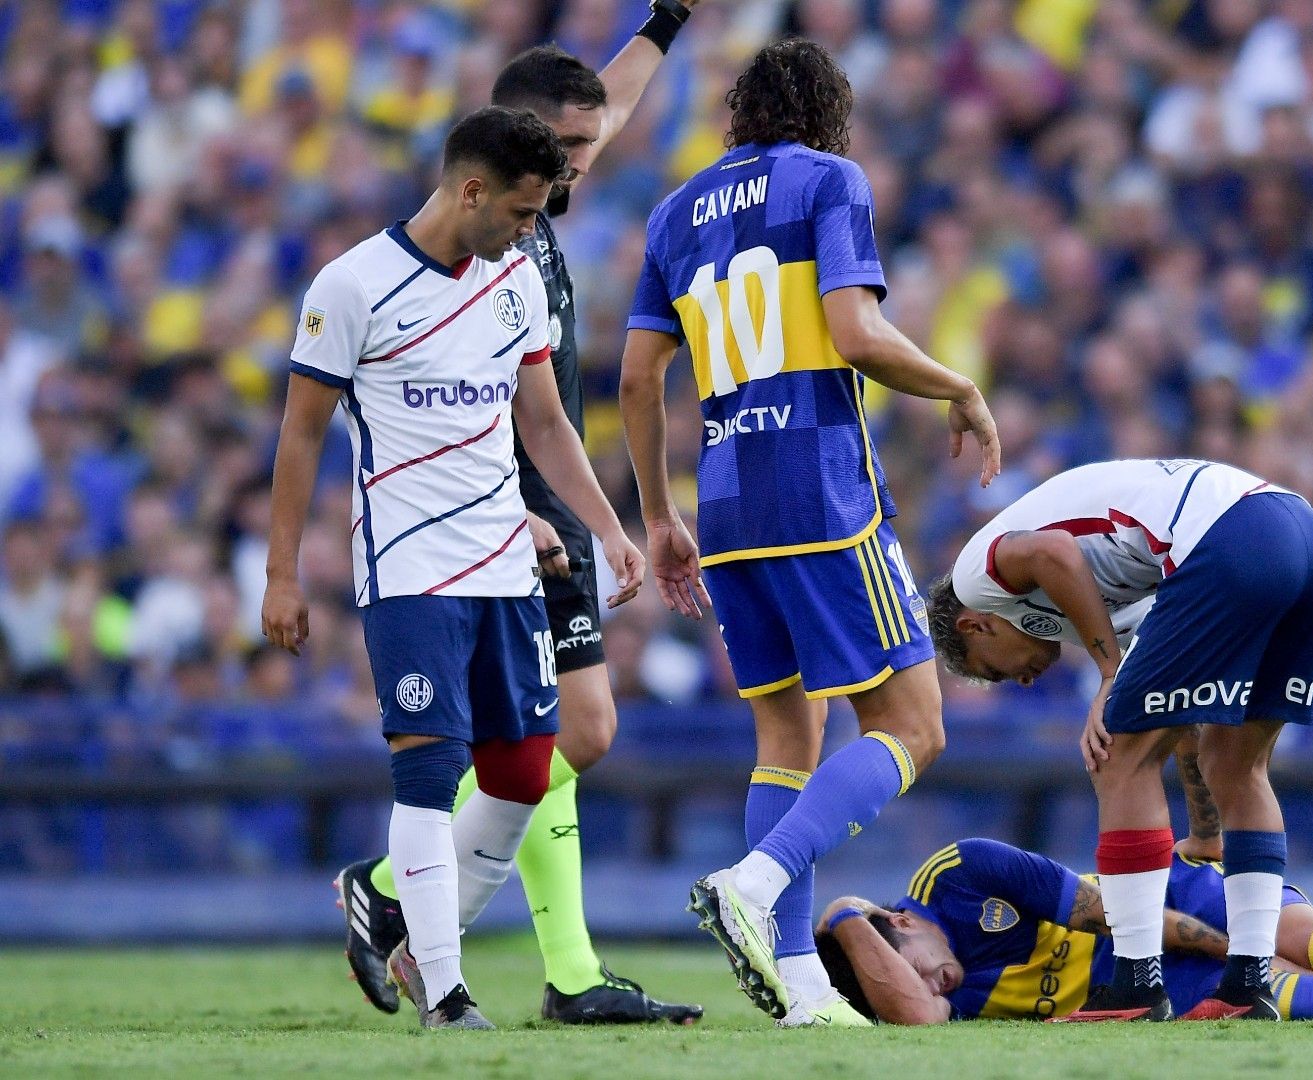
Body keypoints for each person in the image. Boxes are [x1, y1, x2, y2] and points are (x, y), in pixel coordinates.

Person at [331, 0, 708, 1028]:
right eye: (571, 148)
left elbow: (611, 102)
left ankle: (433, 911)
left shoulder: (540, 194)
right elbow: (459, 394)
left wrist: (667, 21)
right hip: (506, 504)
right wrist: (515, 510)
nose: (587, 163)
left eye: (585, 146)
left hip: (548, 491)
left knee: (568, 735)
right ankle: (478, 931)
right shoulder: (488, 234)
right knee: (566, 730)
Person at [619, 39, 1000, 1027]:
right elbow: (857, 334)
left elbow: (637, 379)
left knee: (787, 736)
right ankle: (754, 881)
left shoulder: (673, 214)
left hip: (725, 504)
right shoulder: (830, 180)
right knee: (913, 725)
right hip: (820, 493)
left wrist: (659, 516)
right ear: (830, 113)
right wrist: (957, 385)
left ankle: (799, 988)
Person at [261, 106, 647, 1030]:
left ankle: (406, 931)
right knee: (430, 771)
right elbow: (300, 433)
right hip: (409, 565)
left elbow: (544, 423)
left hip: (507, 564)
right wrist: (281, 574)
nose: (529, 230)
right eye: (521, 211)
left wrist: (607, 528)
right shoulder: (352, 285)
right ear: (471, 190)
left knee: (521, 774)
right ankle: (446, 991)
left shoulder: (516, 282)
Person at [924, 458, 1313, 1021]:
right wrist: (1206, 832)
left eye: (995, 670)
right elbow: (1183, 712)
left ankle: (1136, 983)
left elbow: (1054, 552)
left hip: (1231, 536)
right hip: (1311, 542)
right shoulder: (1110, 600)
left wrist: (1107, 675)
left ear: (975, 625)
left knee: (1116, 756)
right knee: (1236, 766)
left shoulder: (975, 579)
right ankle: (1248, 984)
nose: (1021, 680)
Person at [814, 837, 1313, 1024]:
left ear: (905, 919)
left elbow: (1120, 912)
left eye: (915, 964)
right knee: (1297, 1000)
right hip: (1148, 983)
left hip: (1166, 905)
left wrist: (1239, 945)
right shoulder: (908, 990)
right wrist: (845, 918)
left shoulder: (959, 873)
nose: (931, 986)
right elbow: (917, 1016)